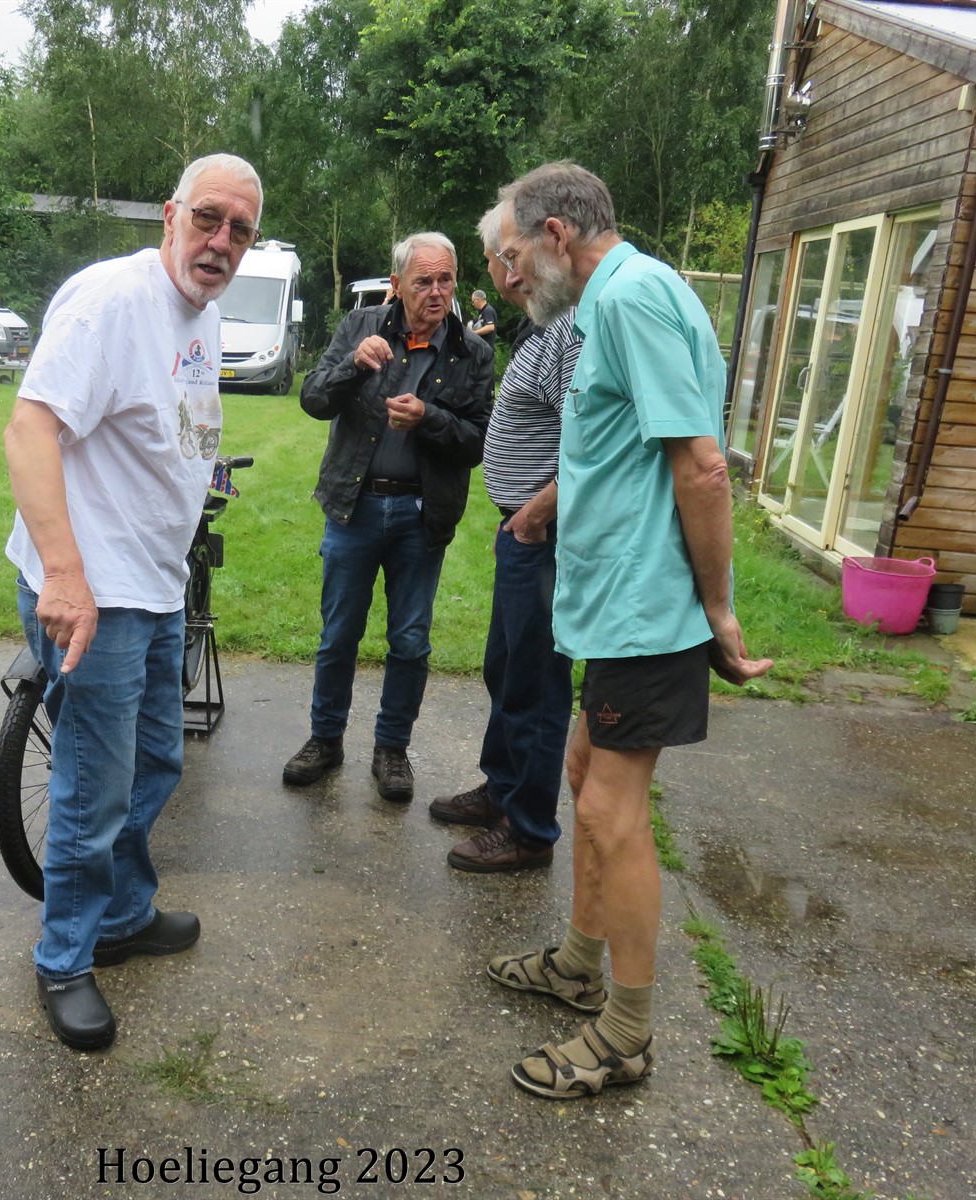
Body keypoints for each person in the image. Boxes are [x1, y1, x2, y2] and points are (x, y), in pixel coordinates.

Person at [484, 162, 772, 1100]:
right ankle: (578, 964)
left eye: (517, 253)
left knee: (612, 811)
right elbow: (623, 448)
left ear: (557, 234)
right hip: (615, 607)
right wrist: (545, 508)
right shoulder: (611, 300)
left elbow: (702, 467)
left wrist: (718, 610)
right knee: (583, 776)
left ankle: (626, 1033)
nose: (513, 275)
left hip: (647, 610)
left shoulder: (633, 298)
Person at [3, 152, 264, 1052]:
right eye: (208, 218)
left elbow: (172, 430)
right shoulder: (110, 301)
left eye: (239, 230)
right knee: (94, 789)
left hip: (155, 581)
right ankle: (65, 958)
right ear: (169, 214)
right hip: (95, 591)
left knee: (156, 762)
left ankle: (121, 913)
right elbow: (30, 428)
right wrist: (63, 576)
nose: (220, 241)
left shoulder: (204, 311)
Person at [283, 233, 492, 803]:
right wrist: (353, 365)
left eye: (445, 279)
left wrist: (429, 418)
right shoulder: (362, 327)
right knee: (338, 634)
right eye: (423, 281)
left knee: (410, 640)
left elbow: (478, 441)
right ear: (397, 285)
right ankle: (325, 739)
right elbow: (313, 399)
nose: (436, 292)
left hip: (422, 515)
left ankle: (392, 748)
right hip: (354, 506)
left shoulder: (472, 352)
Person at [428, 200, 579, 873]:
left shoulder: (570, 328)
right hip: (523, 530)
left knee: (536, 684)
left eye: (509, 260)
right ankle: (502, 789)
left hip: (544, 533)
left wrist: (539, 512)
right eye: (503, 263)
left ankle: (528, 828)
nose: (508, 275)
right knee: (506, 668)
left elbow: (592, 442)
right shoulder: (541, 325)